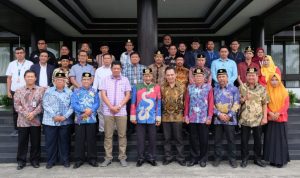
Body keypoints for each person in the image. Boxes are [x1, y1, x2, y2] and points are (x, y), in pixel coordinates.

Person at [100, 61, 131, 167]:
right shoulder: (105, 79)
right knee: (108, 135)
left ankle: (122, 157)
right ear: (111, 69)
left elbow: (127, 95)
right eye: (114, 68)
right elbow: (103, 94)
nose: (116, 70)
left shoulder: (125, 80)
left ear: (121, 69)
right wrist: (111, 107)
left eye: (118, 68)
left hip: (121, 112)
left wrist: (118, 106)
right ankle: (108, 158)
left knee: (122, 135)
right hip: (108, 112)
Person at [14, 70, 45, 170]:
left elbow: (42, 104)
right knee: (22, 142)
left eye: (32, 76)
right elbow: (16, 105)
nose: (30, 78)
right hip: (22, 121)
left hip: (35, 121)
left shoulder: (40, 90)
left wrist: (33, 113)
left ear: (35, 78)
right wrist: (26, 114)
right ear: (25, 78)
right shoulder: (18, 90)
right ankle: (21, 161)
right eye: (28, 76)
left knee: (36, 142)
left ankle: (35, 160)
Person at [130, 68, 161, 167]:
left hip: (152, 117)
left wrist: (158, 117)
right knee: (140, 139)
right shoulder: (137, 87)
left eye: (149, 76)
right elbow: (133, 102)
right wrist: (133, 116)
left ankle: (151, 157)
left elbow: (158, 103)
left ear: (152, 76)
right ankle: (140, 158)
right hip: (140, 117)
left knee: (152, 139)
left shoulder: (156, 87)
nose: (147, 77)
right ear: (143, 76)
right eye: (145, 76)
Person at [42, 72, 73, 169]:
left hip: (65, 121)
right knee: (50, 142)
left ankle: (65, 160)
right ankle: (51, 161)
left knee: (64, 142)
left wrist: (65, 117)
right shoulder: (48, 91)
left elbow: (72, 106)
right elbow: (45, 104)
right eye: (57, 80)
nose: (59, 81)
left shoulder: (69, 92)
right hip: (50, 121)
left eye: (62, 80)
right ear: (54, 81)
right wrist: (54, 116)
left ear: (65, 81)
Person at [239, 67, 268, 168]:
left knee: (258, 140)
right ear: (246, 76)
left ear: (257, 76)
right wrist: (243, 100)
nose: (251, 77)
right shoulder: (241, 87)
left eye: (253, 75)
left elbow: (265, 104)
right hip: (245, 118)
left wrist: (265, 117)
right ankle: (244, 159)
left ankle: (257, 159)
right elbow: (238, 102)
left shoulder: (262, 88)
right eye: (249, 75)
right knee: (244, 140)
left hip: (258, 119)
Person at [184, 68, 213, 167]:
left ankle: (203, 158)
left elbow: (211, 103)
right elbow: (187, 102)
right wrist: (186, 115)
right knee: (193, 139)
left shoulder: (208, 88)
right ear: (194, 77)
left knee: (204, 139)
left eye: (200, 76)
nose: (198, 78)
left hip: (203, 118)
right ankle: (194, 158)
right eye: (196, 76)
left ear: (204, 78)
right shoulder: (190, 88)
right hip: (192, 118)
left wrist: (209, 117)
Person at [71, 72, 100, 169]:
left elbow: (97, 103)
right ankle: (79, 160)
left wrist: (91, 110)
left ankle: (92, 159)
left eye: (88, 79)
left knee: (91, 139)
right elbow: (74, 104)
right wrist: (84, 110)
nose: (86, 81)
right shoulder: (76, 91)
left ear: (91, 80)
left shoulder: (95, 91)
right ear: (81, 81)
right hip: (79, 119)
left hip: (91, 119)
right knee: (79, 140)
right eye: (84, 79)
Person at [212, 69, 240, 168]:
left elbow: (237, 103)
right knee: (217, 140)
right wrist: (219, 114)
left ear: (227, 77)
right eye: (219, 77)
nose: (221, 78)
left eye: (223, 76)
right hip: (217, 119)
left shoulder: (234, 89)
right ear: (217, 78)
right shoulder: (214, 89)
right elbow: (211, 104)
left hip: (230, 119)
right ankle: (217, 158)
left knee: (231, 140)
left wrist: (229, 115)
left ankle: (232, 159)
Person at [264, 73, 290, 168]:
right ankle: (272, 159)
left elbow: (286, 104)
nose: (274, 82)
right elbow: (264, 104)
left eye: (276, 80)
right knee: (271, 140)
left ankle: (280, 160)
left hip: (281, 118)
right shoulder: (266, 91)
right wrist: (270, 113)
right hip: (271, 119)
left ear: (279, 80)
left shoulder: (284, 91)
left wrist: (278, 113)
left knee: (281, 140)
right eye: (272, 80)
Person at [161, 67, 186, 166]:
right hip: (166, 117)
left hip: (178, 116)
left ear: (175, 75)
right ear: (165, 76)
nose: (170, 77)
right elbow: (160, 101)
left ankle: (180, 157)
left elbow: (185, 101)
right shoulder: (162, 87)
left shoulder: (182, 86)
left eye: (172, 74)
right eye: (168, 75)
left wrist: (185, 115)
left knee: (178, 138)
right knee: (167, 138)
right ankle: (168, 157)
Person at [6, 47, 33, 136]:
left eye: (21, 52)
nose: (19, 54)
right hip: (15, 91)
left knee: (29, 108)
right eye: (17, 53)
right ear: (15, 54)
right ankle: (17, 129)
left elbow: (32, 77)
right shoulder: (11, 64)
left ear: (24, 53)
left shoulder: (30, 64)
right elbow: (9, 78)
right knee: (15, 110)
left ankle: (30, 128)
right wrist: (8, 91)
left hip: (27, 90)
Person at [122, 52, 146, 134]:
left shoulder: (144, 68)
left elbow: (146, 81)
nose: (134, 58)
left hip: (141, 95)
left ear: (139, 58)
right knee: (129, 112)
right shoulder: (125, 68)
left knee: (140, 111)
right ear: (130, 59)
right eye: (133, 57)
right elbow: (123, 82)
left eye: (136, 57)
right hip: (129, 95)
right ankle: (130, 129)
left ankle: (139, 128)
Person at [93, 53, 113, 133]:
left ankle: (113, 129)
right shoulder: (98, 70)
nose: (106, 60)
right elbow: (95, 84)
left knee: (112, 111)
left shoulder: (115, 69)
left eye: (108, 58)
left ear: (111, 60)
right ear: (102, 60)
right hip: (101, 93)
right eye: (105, 58)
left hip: (112, 93)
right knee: (100, 111)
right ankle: (102, 129)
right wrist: (94, 95)